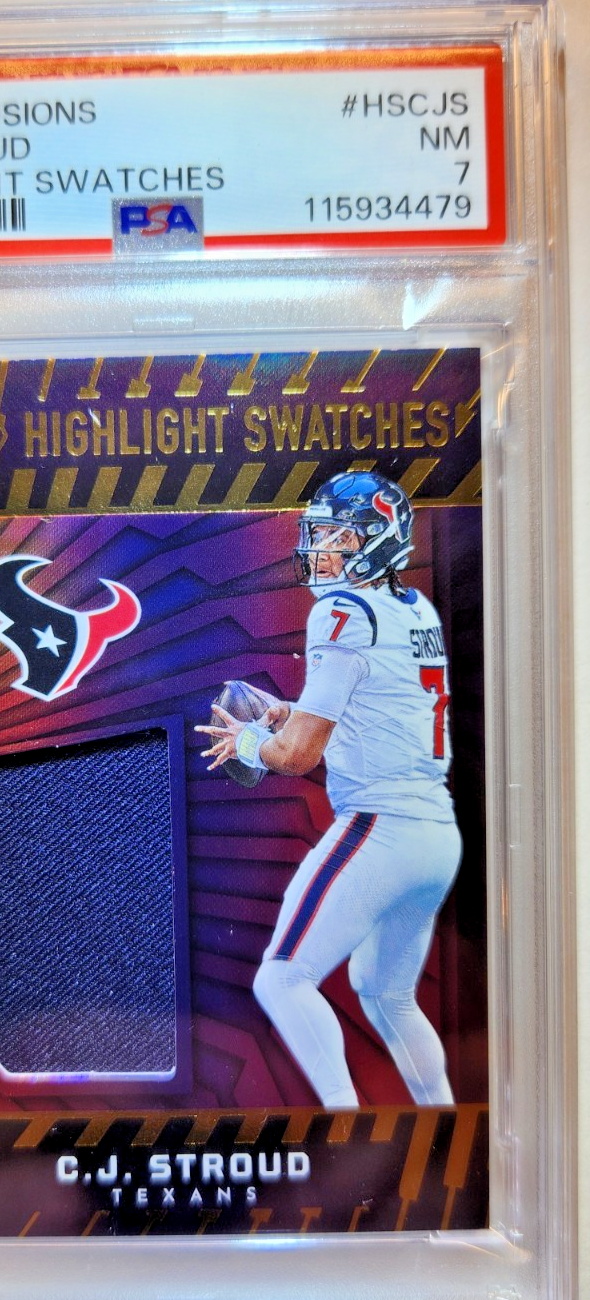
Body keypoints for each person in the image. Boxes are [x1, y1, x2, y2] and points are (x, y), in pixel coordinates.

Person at [196, 472, 461, 1108]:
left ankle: (345, 1128)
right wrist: (289, 711)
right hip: (436, 835)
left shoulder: (342, 612)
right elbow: (379, 707)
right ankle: (444, 1120)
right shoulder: (414, 608)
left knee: (282, 980)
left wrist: (251, 742)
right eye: (322, 535)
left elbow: (297, 756)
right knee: (385, 993)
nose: (321, 549)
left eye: (339, 537)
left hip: (382, 828)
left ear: (378, 538)